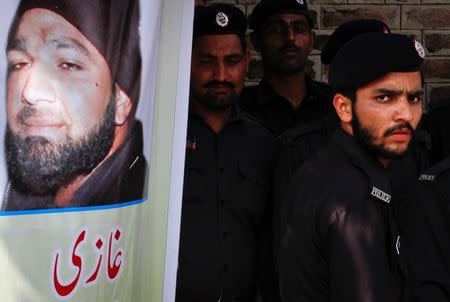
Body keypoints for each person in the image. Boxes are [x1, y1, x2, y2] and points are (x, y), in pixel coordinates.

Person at [279, 32, 425, 302]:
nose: (405, 114)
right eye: (385, 98)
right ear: (344, 107)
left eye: (414, 98)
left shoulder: (334, 170)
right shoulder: (351, 199)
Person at [176, 4, 279, 302]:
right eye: (207, 61)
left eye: (232, 61)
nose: (220, 75)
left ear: (246, 61)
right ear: (188, 61)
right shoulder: (164, 140)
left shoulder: (265, 144)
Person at [2, 0, 146, 210]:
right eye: (20, 63)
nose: (30, 92)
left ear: (121, 100)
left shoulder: (144, 209)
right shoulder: (16, 196)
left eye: (68, 64)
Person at [239, 0, 334, 138]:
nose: (290, 37)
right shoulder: (239, 109)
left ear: (312, 40)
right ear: (256, 41)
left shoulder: (334, 105)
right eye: (277, 29)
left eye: (299, 29)